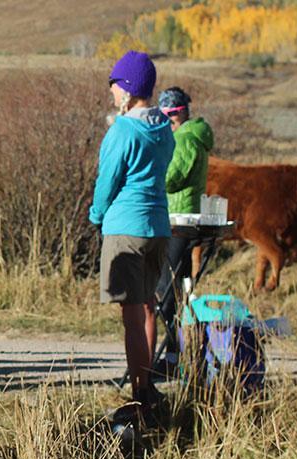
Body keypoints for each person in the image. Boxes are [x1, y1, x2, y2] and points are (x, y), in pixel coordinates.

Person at [88, 50, 174, 409]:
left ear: (126, 89)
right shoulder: (164, 129)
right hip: (158, 227)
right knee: (148, 307)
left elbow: (107, 181)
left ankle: (140, 392)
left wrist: (96, 215)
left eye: (114, 86)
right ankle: (148, 385)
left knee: (131, 317)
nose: (111, 93)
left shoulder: (123, 130)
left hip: (126, 226)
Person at [154, 86, 213, 372]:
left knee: (167, 289)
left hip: (179, 219)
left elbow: (171, 178)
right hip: (179, 217)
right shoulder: (188, 137)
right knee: (176, 289)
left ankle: (176, 355)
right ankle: (179, 354)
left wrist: (150, 170)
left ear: (175, 114)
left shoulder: (187, 140)